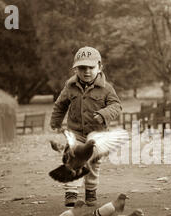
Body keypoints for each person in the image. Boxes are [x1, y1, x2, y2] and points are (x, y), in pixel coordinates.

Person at [50, 46, 122, 207]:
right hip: (75, 133)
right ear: (76, 69)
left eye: (91, 67)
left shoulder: (106, 88)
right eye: (82, 68)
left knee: (93, 163)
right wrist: (55, 123)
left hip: (97, 137)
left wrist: (103, 114)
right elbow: (60, 105)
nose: (87, 71)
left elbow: (116, 106)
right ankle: (71, 192)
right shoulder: (70, 87)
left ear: (100, 67)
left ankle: (91, 191)